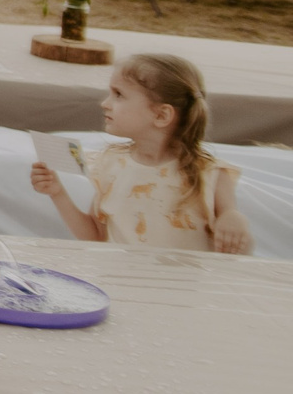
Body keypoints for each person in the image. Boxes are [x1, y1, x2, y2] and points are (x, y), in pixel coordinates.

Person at [31, 52, 251, 253]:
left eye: (118, 94)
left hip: (183, 293)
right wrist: (57, 192)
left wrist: (233, 219)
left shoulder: (210, 173)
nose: (105, 103)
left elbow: (234, 232)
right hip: (120, 286)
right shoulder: (109, 165)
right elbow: (95, 236)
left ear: (162, 115)